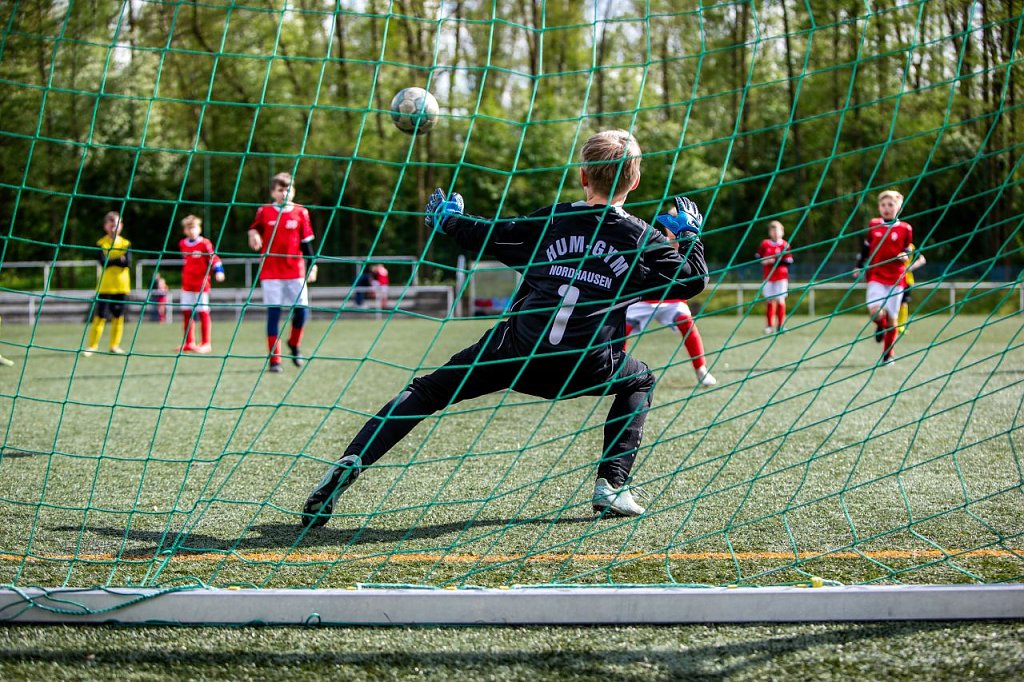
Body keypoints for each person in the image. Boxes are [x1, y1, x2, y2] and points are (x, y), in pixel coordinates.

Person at [301, 129, 708, 528]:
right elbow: (692, 280)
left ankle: (354, 458)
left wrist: (450, 220)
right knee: (640, 380)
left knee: (427, 392)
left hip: (516, 353)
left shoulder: (552, 221)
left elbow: (488, 234)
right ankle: (612, 485)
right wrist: (689, 235)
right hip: (586, 365)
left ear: (583, 176)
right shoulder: (642, 239)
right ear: (635, 181)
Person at [624, 225, 716, 387]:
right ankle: (616, 370)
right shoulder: (654, 241)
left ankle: (701, 369)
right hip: (644, 299)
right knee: (621, 330)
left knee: (686, 323)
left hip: (672, 300)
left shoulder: (687, 243)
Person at [248, 172, 317, 372]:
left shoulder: (301, 212)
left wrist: (313, 266)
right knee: (274, 313)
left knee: (302, 311)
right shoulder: (264, 211)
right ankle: (275, 360)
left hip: (295, 270)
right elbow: (253, 229)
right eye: (280, 190)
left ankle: (294, 344)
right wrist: (253, 234)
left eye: (288, 189)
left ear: (293, 191)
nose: (284, 193)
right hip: (271, 272)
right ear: (273, 192)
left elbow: (307, 244)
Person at [853, 189, 913, 366]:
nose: (886, 208)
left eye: (891, 205)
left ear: (899, 207)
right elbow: (866, 248)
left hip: (896, 278)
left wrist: (905, 255)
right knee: (875, 312)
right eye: (883, 205)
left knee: (893, 319)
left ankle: (888, 355)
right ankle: (880, 325)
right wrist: (859, 265)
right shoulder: (873, 225)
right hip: (876, 275)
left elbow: (908, 249)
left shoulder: (905, 228)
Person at [84, 211, 131, 356]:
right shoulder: (101, 243)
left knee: (118, 316)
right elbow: (102, 262)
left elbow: (128, 263)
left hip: (122, 286)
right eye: (111, 225)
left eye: (116, 225)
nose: (113, 228)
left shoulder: (126, 243)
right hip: (105, 286)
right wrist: (118, 260)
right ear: (105, 226)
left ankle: (114, 346)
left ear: (121, 226)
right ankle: (92, 346)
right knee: (100, 316)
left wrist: (111, 261)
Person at [179, 214, 225, 353]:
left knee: (203, 312)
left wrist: (219, 271)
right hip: (187, 283)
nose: (191, 230)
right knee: (186, 312)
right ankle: (189, 342)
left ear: (199, 228)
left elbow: (214, 258)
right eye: (189, 228)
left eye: (194, 227)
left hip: (201, 284)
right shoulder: (182, 244)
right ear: (185, 230)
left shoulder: (205, 243)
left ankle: (206, 343)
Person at [755, 220, 794, 334]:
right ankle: (769, 326)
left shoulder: (785, 245)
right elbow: (758, 256)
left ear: (782, 232)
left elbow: (789, 261)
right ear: (770, 232)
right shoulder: (765, 244)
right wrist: (764, 260)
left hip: (781, 277)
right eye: (773, 231)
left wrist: (775, 260)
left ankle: (780, 326)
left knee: (780, 300)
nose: (775, 233)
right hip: (768, 276)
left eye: (777, 230)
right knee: (769, 300)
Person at [897, 243, 926, 335]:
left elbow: (922, 260)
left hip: (906, 280)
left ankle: (901, 326)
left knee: (903, 303)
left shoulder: (911, 246)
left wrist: (909, 268)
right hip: (893, 279)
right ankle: (892, 325)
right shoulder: (894, 243)